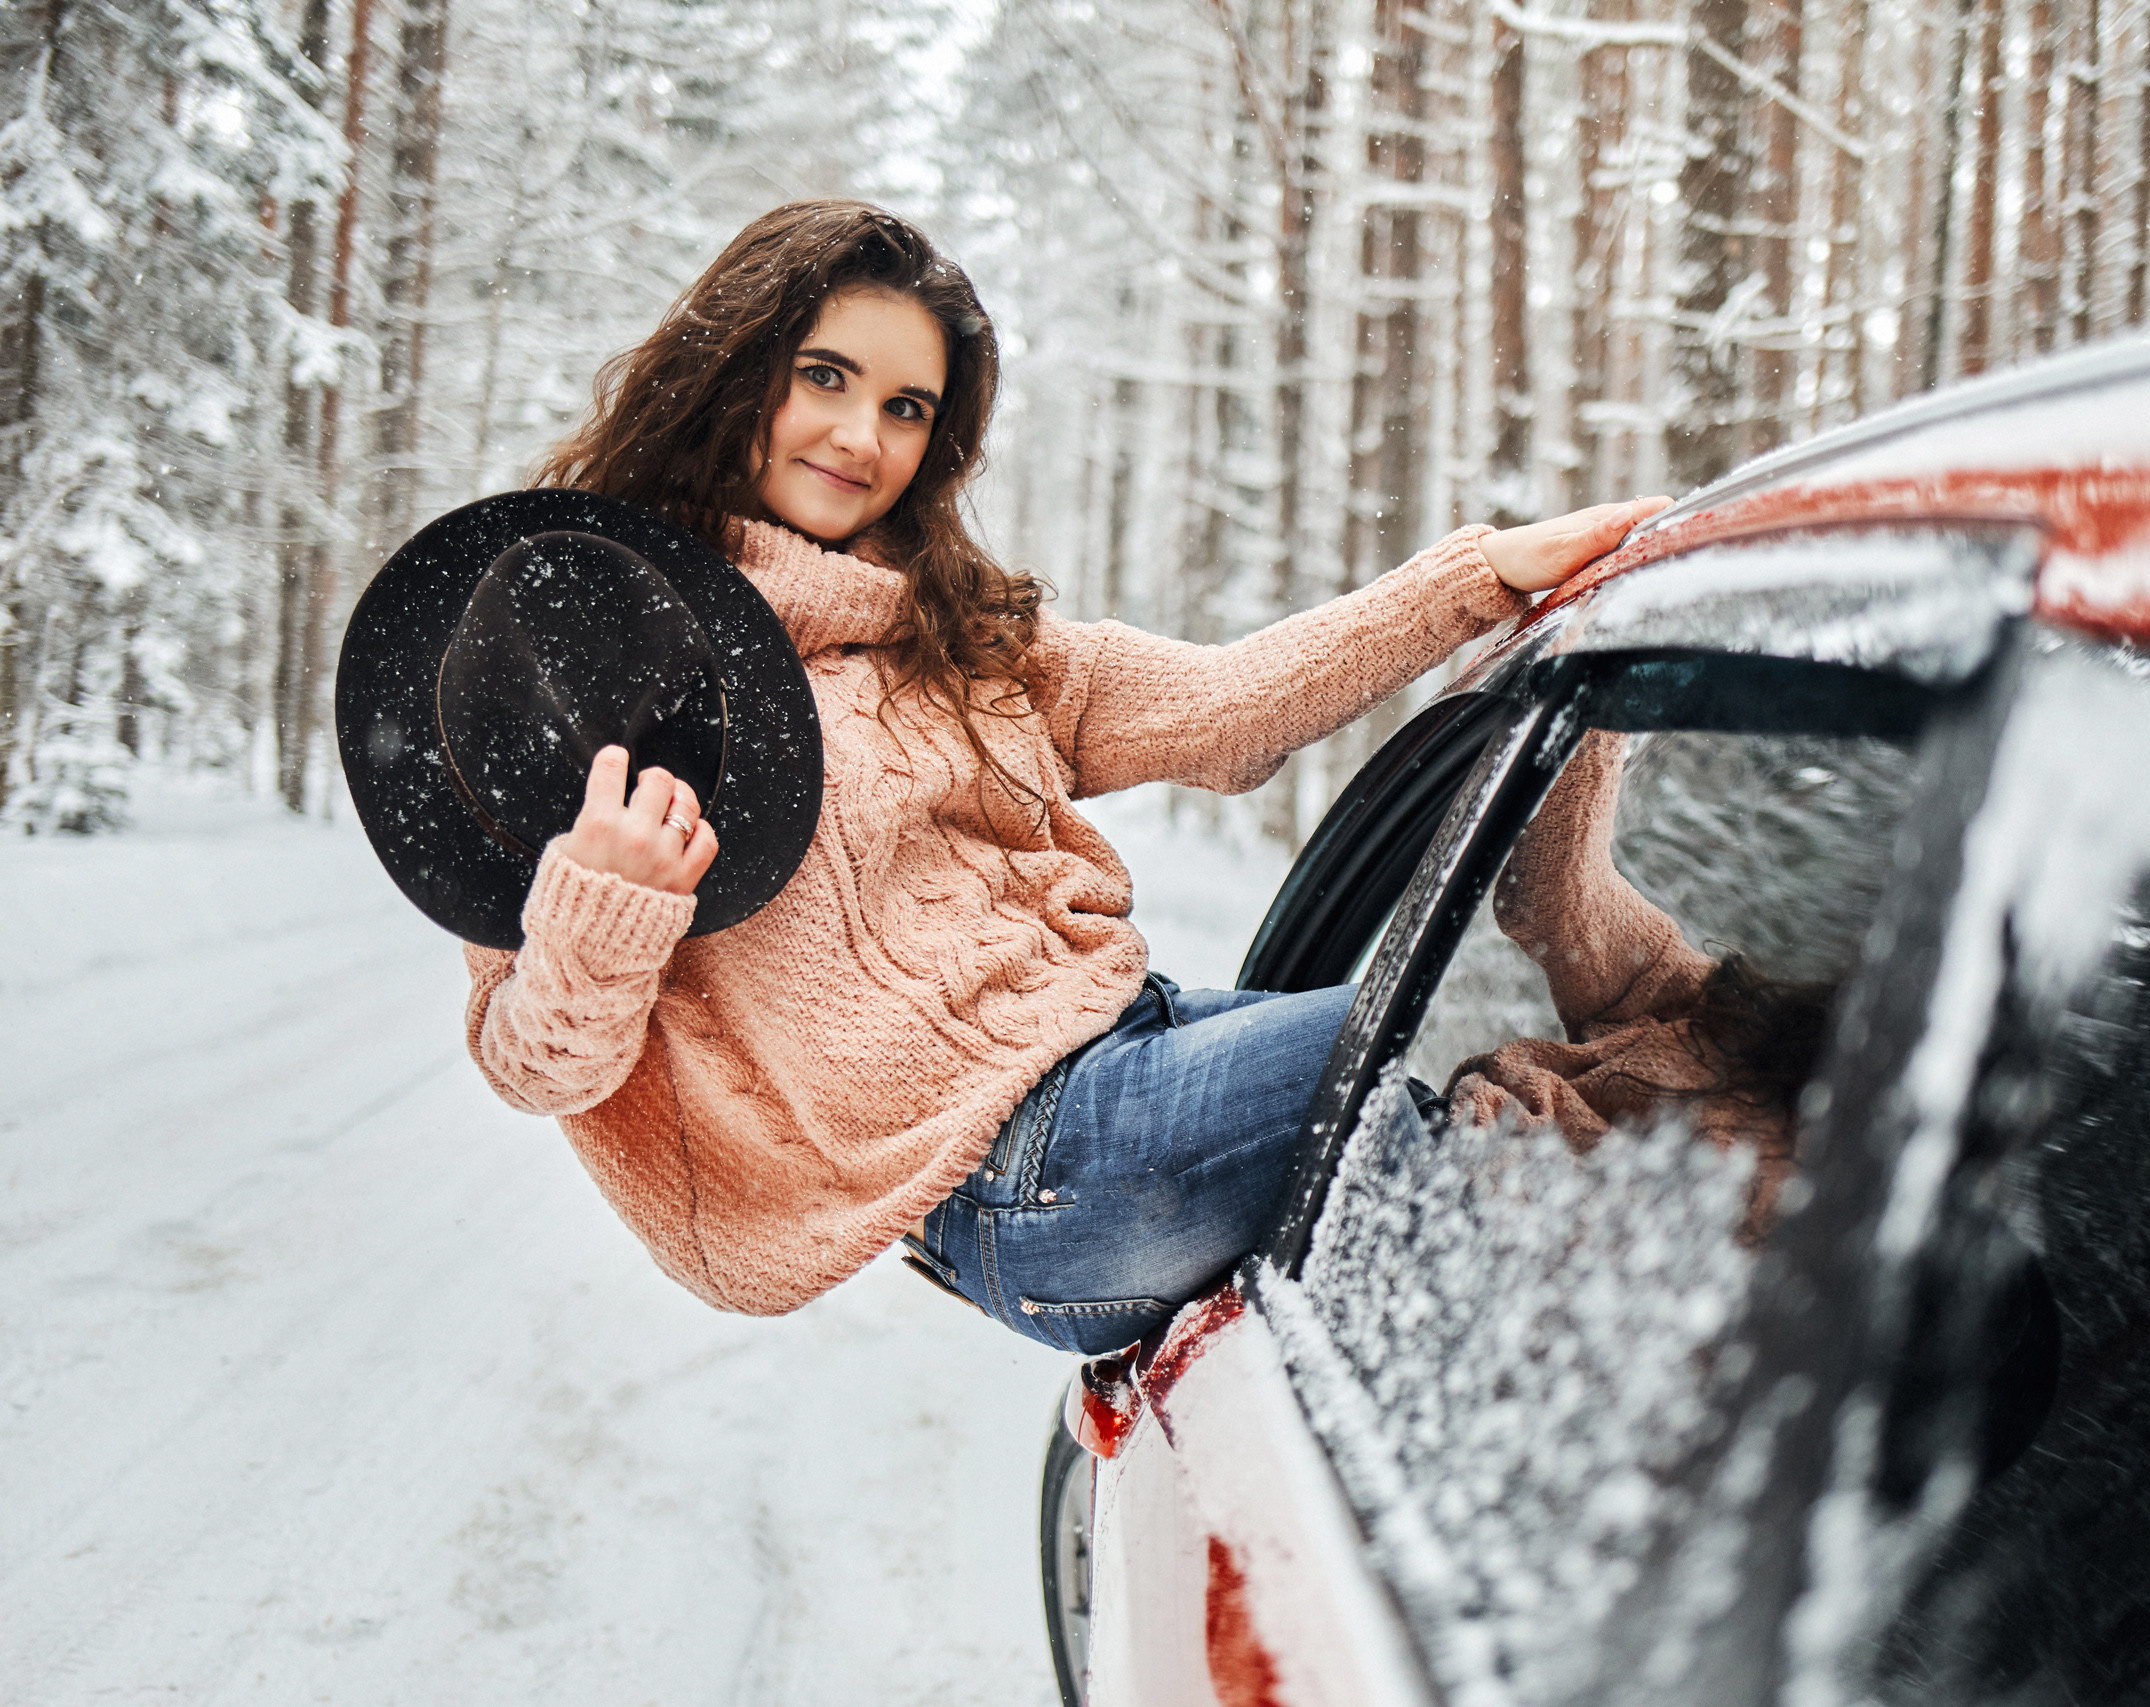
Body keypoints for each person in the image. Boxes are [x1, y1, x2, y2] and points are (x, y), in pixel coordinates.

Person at [460, 200, 1668, 1352]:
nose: (859, 436)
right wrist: (606, 899)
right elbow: (534, 1060)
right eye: (824, 376)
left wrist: (1479, 579)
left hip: (1131, 1062)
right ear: (735, 369)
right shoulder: (581, 653)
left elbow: (1224, 709)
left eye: (907, 407)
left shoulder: (945, 630)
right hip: (1023, 1180)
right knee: (1364, 1054)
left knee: (1563, 1113)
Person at [1442, 732, 1833, 1243]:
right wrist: (1598, 705)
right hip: (1425, 1139)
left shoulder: (1799, 1223)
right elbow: (1551, 902)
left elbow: (1570, 1260)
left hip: (1439, 1227)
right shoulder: (1764, 1037)